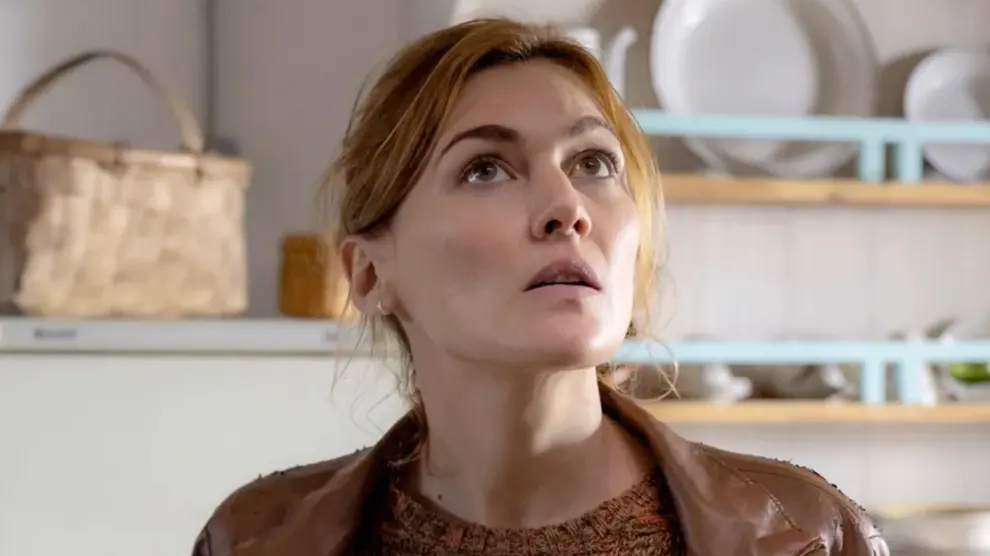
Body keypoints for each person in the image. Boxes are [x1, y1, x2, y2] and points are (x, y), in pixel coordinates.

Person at [191, 18, 888, 556]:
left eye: (593, 163)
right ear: (370, 275)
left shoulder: (809, 536)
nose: (567, 207)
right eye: (485, 169)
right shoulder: (255, 539)